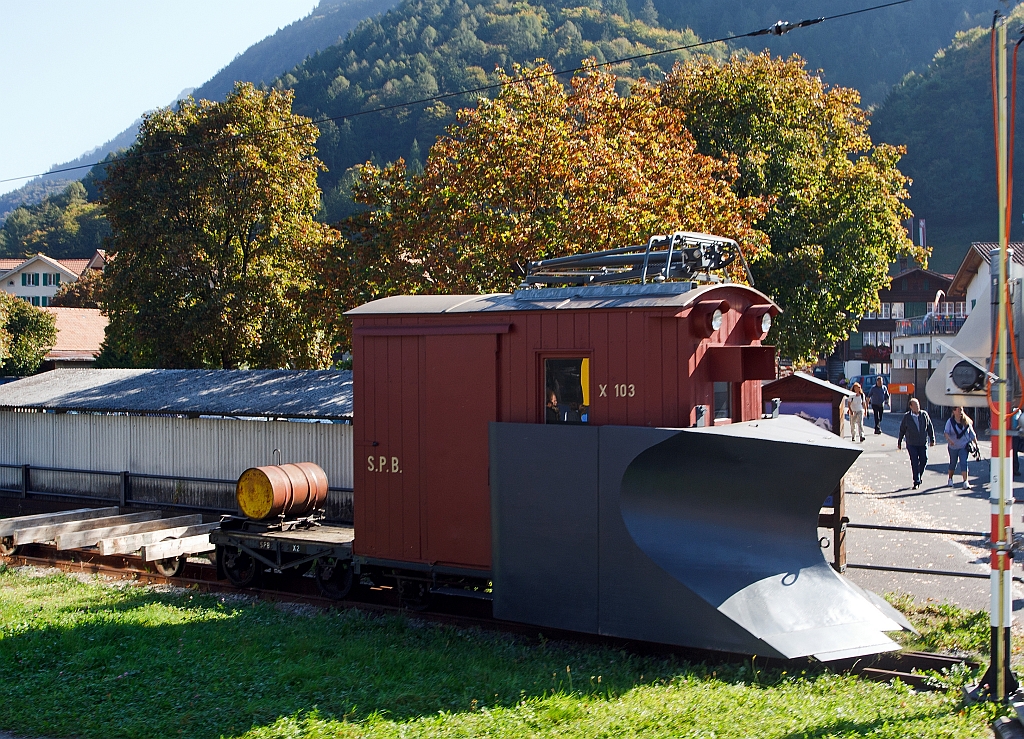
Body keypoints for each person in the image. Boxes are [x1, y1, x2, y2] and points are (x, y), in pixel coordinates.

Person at [897, 397, 935, 489]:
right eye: (915, 405)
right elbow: (902, 430)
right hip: (911, 443)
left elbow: (930, 426)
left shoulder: (924, 415)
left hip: (922, 442)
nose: (917, 407)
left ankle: (919, 475)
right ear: (911, 406)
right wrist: (900, 442)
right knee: (914, 462)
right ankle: (916, 481)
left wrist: (932, 439)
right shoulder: (907, 417)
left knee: (924, 459)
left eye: (918, 405)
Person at [943, 406, 976, 488]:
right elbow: (946, 432)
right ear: (954, 411)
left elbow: (972, 434)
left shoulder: (966, 421)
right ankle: (950, 479)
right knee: (953, 463)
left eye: (961, 410)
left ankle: (965, 481)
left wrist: (976, 445)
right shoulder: (950, 422)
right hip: (953, 447)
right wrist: (949, 440)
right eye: (958, 410)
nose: (960, 412)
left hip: (963, 446)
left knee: (964, 462)